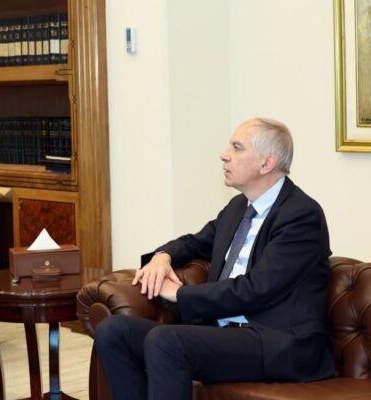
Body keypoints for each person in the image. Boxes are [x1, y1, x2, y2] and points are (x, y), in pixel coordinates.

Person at [94, 118, 335, 399]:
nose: (224, 154)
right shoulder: (238, 207)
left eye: (237, 147)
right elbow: (194, 243)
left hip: (276, 342)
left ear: (266, 163)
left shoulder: (301, 216)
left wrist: (180, 294)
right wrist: (162, 256)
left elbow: (257, 289)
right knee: (113, 330)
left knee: (166, 340)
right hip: (226, 333)